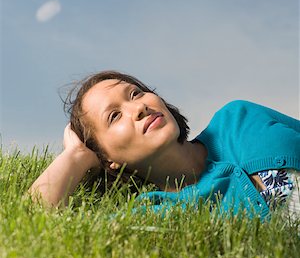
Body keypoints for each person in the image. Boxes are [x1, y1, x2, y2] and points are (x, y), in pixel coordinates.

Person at [29, 70, 300, 220]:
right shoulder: (155, 215)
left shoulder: (238, 118)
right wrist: (75, 155)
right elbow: (33, 218)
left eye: (135, 93)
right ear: (108, 159)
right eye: (114, 116)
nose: (138, 107)